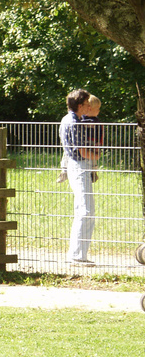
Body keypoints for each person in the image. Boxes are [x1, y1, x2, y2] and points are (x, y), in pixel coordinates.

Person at [59, 89, 102, 265]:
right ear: (79, 105)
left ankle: (78, 254)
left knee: (84, 210)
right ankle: (77, 255)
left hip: (77, 166)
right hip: (79, 166)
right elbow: (81, 150)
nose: (87, 107)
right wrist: (96, 156)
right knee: (86, 211)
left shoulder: (69, 119)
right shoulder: (74, 122)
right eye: (85, 104)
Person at [56, 94, 103, 183]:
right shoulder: (78, 120)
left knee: (93, 159)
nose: (99, 111)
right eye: (97, 109)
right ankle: (64, 171)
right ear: (89, 109)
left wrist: (98, 143)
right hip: (79, 145)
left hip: (91, 143)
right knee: (66, 154)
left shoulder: (96, 121)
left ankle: (93, 172)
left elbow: (99, 133)